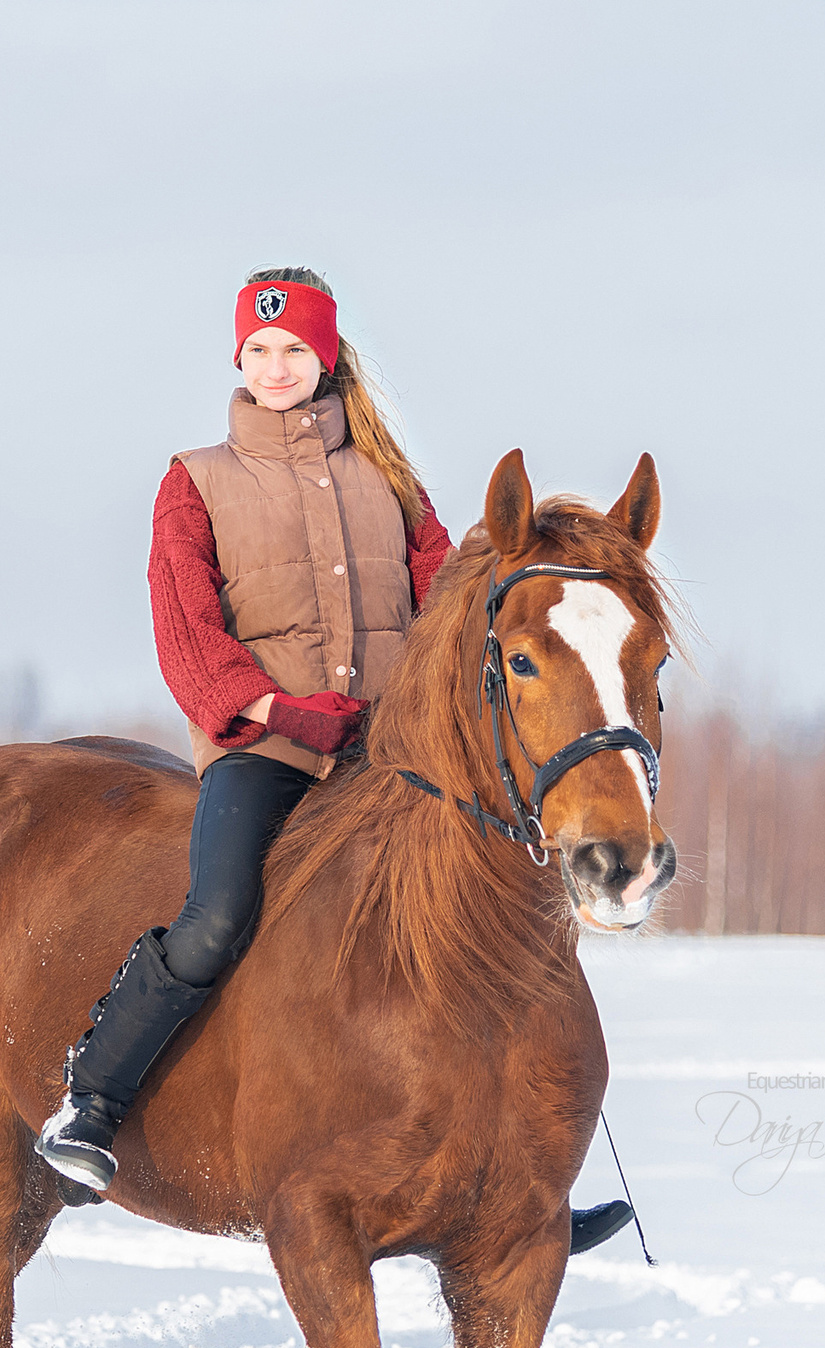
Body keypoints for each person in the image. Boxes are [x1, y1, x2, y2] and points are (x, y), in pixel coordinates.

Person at [36, 267, 634, 1256]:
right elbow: (186, 631)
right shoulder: (196, 480)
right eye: (259, 351)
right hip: (264, 746)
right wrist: (273, 708)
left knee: (499, 912)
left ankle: (524, 1171)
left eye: (295, 352)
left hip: (387, 756)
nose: (276, 367)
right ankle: (93, 1102)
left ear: (326, 360)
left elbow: (447, 602)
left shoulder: (389, 478)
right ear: (240, 359)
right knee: (219, 913)